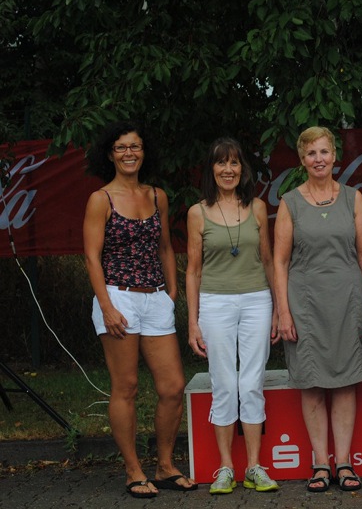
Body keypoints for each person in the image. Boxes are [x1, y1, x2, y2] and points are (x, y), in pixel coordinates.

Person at [83, 121, 196, 498]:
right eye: (121, 147)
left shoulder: (157, 195)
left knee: (172, 386)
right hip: (118, 297)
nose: (129, 153)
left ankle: (164, 466)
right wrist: (107, 305)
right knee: (127, 386)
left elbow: (165, 247)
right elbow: (91, 256)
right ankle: (134, 470)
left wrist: (173, 290)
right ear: (110, 154)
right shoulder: (102, 199)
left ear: (144, 152)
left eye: (135, 146)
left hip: (155, 298)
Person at [273, 126, 362, 493]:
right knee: (313, 384)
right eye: (311, 153)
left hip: (348, 301)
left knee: (346, 380)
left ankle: (344, 463)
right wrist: (283, 311)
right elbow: (280, 262)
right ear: (302, 160)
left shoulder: (353, 198)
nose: (319, 159)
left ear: (335, 156)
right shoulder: (289, 202)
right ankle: (320, 464)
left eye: (325, 152)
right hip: (305, 304)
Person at [185, 137, 279, 494]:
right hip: (215, 303)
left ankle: (255, 466)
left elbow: (268, 261)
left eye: (235, 163)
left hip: (257, 301)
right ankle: (225, 467)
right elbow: (193, 271)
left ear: (243, 169)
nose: (228, 170)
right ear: (212, 169)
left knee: (251, 383)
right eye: (221, 163)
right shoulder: (198, 212)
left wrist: (277, 310)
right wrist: (192, 321)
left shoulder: (256, 207)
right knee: (224, 384)